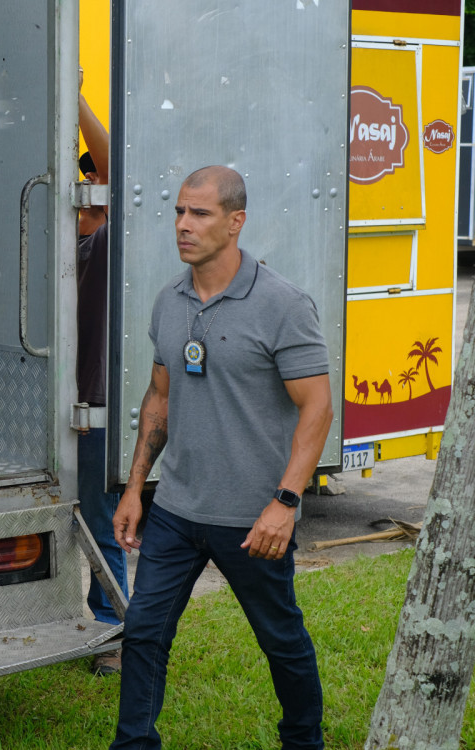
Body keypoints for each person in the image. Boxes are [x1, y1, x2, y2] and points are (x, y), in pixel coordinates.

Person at [110, 166, 332, 749]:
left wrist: (285, 503)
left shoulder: (283, 305)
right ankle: (133, 744)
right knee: (143, 633)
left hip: (252, 520)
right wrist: (136, 488)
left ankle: (304, 740)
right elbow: (158, 399)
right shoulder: (169, 301)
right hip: (177, 511)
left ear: (235, 222)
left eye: (200, 214)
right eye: (180, 212)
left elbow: (317, 409)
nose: (183, 225)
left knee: (280, 639)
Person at [74, 72, 129, 677]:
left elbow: (117, 164)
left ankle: (115, 634)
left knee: (99, 519)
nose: (89, 180)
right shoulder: (72, 239)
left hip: (97, 408)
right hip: (66, 407)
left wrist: (76, 101)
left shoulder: (112, 239)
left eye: (93, 176)